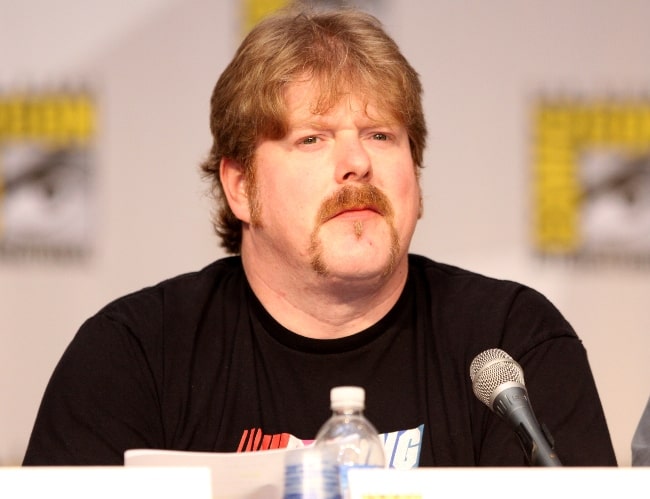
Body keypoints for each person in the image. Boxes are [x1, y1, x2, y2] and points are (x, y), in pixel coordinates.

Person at [23, 5, 617, 467]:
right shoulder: (133, 359)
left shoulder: (512, 347)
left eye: (382, 135)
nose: (356, 162)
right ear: (240, 187)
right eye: (312, 138)